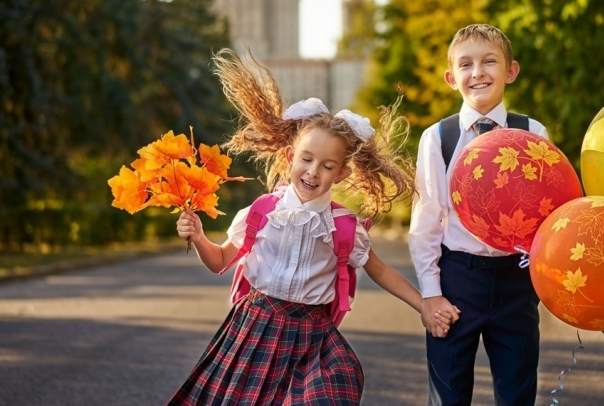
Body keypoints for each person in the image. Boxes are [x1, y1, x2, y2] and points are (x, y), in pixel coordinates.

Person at [169, 48, 458, 405]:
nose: (312, 172)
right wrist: (198, 237)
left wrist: (424, 305)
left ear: (342, 173)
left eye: (326, 165)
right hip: (255, 330)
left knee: (331, 391)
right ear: (291, 157)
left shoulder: (344, 226)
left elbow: (382, 272)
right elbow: (219, 261)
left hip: (312, 337)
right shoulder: (261, 212)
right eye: (306, 159)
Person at [409, 24, 549, 406]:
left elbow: (546, 212)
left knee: (517, 393)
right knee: (448, 396)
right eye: (466, 65)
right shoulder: (438, 137)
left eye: (490, 62)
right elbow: (425, 221)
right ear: (451, 78)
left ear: (511, 71)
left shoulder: (533, 132)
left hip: (515, 283)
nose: (478, 73)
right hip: (457, 281)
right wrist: (431, 296)